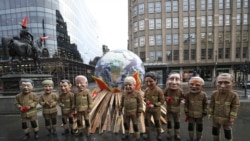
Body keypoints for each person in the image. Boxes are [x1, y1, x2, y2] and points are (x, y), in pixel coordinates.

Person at [208, 73, 240, 141]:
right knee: (215, 131)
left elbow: (235, 106)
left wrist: (232, 117)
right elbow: (211, 104)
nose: (222, 86)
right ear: (216, 83)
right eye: (220, 82)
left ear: (232, 83)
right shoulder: (214, 93)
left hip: (227, 119)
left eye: (226, 83)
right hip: (216, 118)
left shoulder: (234, 95)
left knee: (227, 132)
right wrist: (210, 113)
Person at [184, 76, 208, 141]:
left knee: (199, 127)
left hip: (200, 116)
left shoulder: (203, 95)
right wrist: (186, 112)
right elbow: (186, 104)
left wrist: (205, 112)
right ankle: (190, 138)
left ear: (202, 87)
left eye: (197, 85)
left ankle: (199, 138)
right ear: (188, 85)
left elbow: (206, 104)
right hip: (190, 115)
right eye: (191, 84)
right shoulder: (187, 94)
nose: (194, 86)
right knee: (190, 126)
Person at [119, 76, 143, 141]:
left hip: (134, 114)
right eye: (126, 85)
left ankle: (137, 136)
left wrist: (139, 111)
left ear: (134, 85)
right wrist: (120, 109)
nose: (128, 86)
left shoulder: (137, 94)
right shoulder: (124, 94)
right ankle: (126, 135)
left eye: (130, 85)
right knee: (126, 124)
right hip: (126, 113)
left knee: (135, 125)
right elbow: (121, 103)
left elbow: (140, 103)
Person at [143, 71, 165, 140]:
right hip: (148, 110)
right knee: (146, 121)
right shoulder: (146, 90)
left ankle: (159, 134)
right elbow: (144, 98)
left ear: (155, 81)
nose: (148, 83)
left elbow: (162, 101)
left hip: (156, 111)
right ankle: (147, 133)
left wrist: (154, 105)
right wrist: (146, 101)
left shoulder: (159, 90)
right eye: (147, 82)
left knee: (157, 122)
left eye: (151, 81)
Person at [163, 72, 185, 140]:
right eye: (171, 79)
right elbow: (163, 96)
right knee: (169, 122)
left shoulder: (180, 91)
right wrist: (166, 98)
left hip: (177, 111)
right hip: (169, 110)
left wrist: (182, 100)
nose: (174, 82)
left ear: (180, 81)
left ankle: (177, 134)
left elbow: (183, 97)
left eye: (177, 79)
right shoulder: (167, 90)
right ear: (167, 80)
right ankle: (169, 133)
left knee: (177, 122)